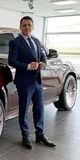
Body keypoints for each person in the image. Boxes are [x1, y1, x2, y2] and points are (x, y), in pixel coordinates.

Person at [8, 16, 56, 149]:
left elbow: (42, 57)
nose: (27, 27)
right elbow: (11, 61)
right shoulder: (15, 42)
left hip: (37, 81)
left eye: (29, 25)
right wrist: (28, 66)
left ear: (32, 26)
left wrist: (43, 64)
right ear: (20, 27)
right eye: (24, 25)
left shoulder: (36, 40)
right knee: (23, 110)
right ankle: (25, 136)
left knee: (39, 108)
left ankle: (40, 134)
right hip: (24, 81)